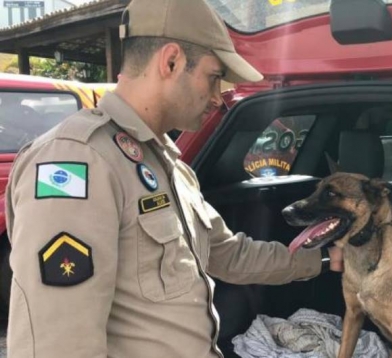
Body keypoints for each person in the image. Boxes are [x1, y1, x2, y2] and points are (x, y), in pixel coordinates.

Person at [3, 0, 343, 357]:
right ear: (171, 61)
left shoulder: (167, 164)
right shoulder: (78, 160)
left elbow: (228, 253)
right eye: (214, 78)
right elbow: (58, 342)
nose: (218, 98)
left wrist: (321, 260)